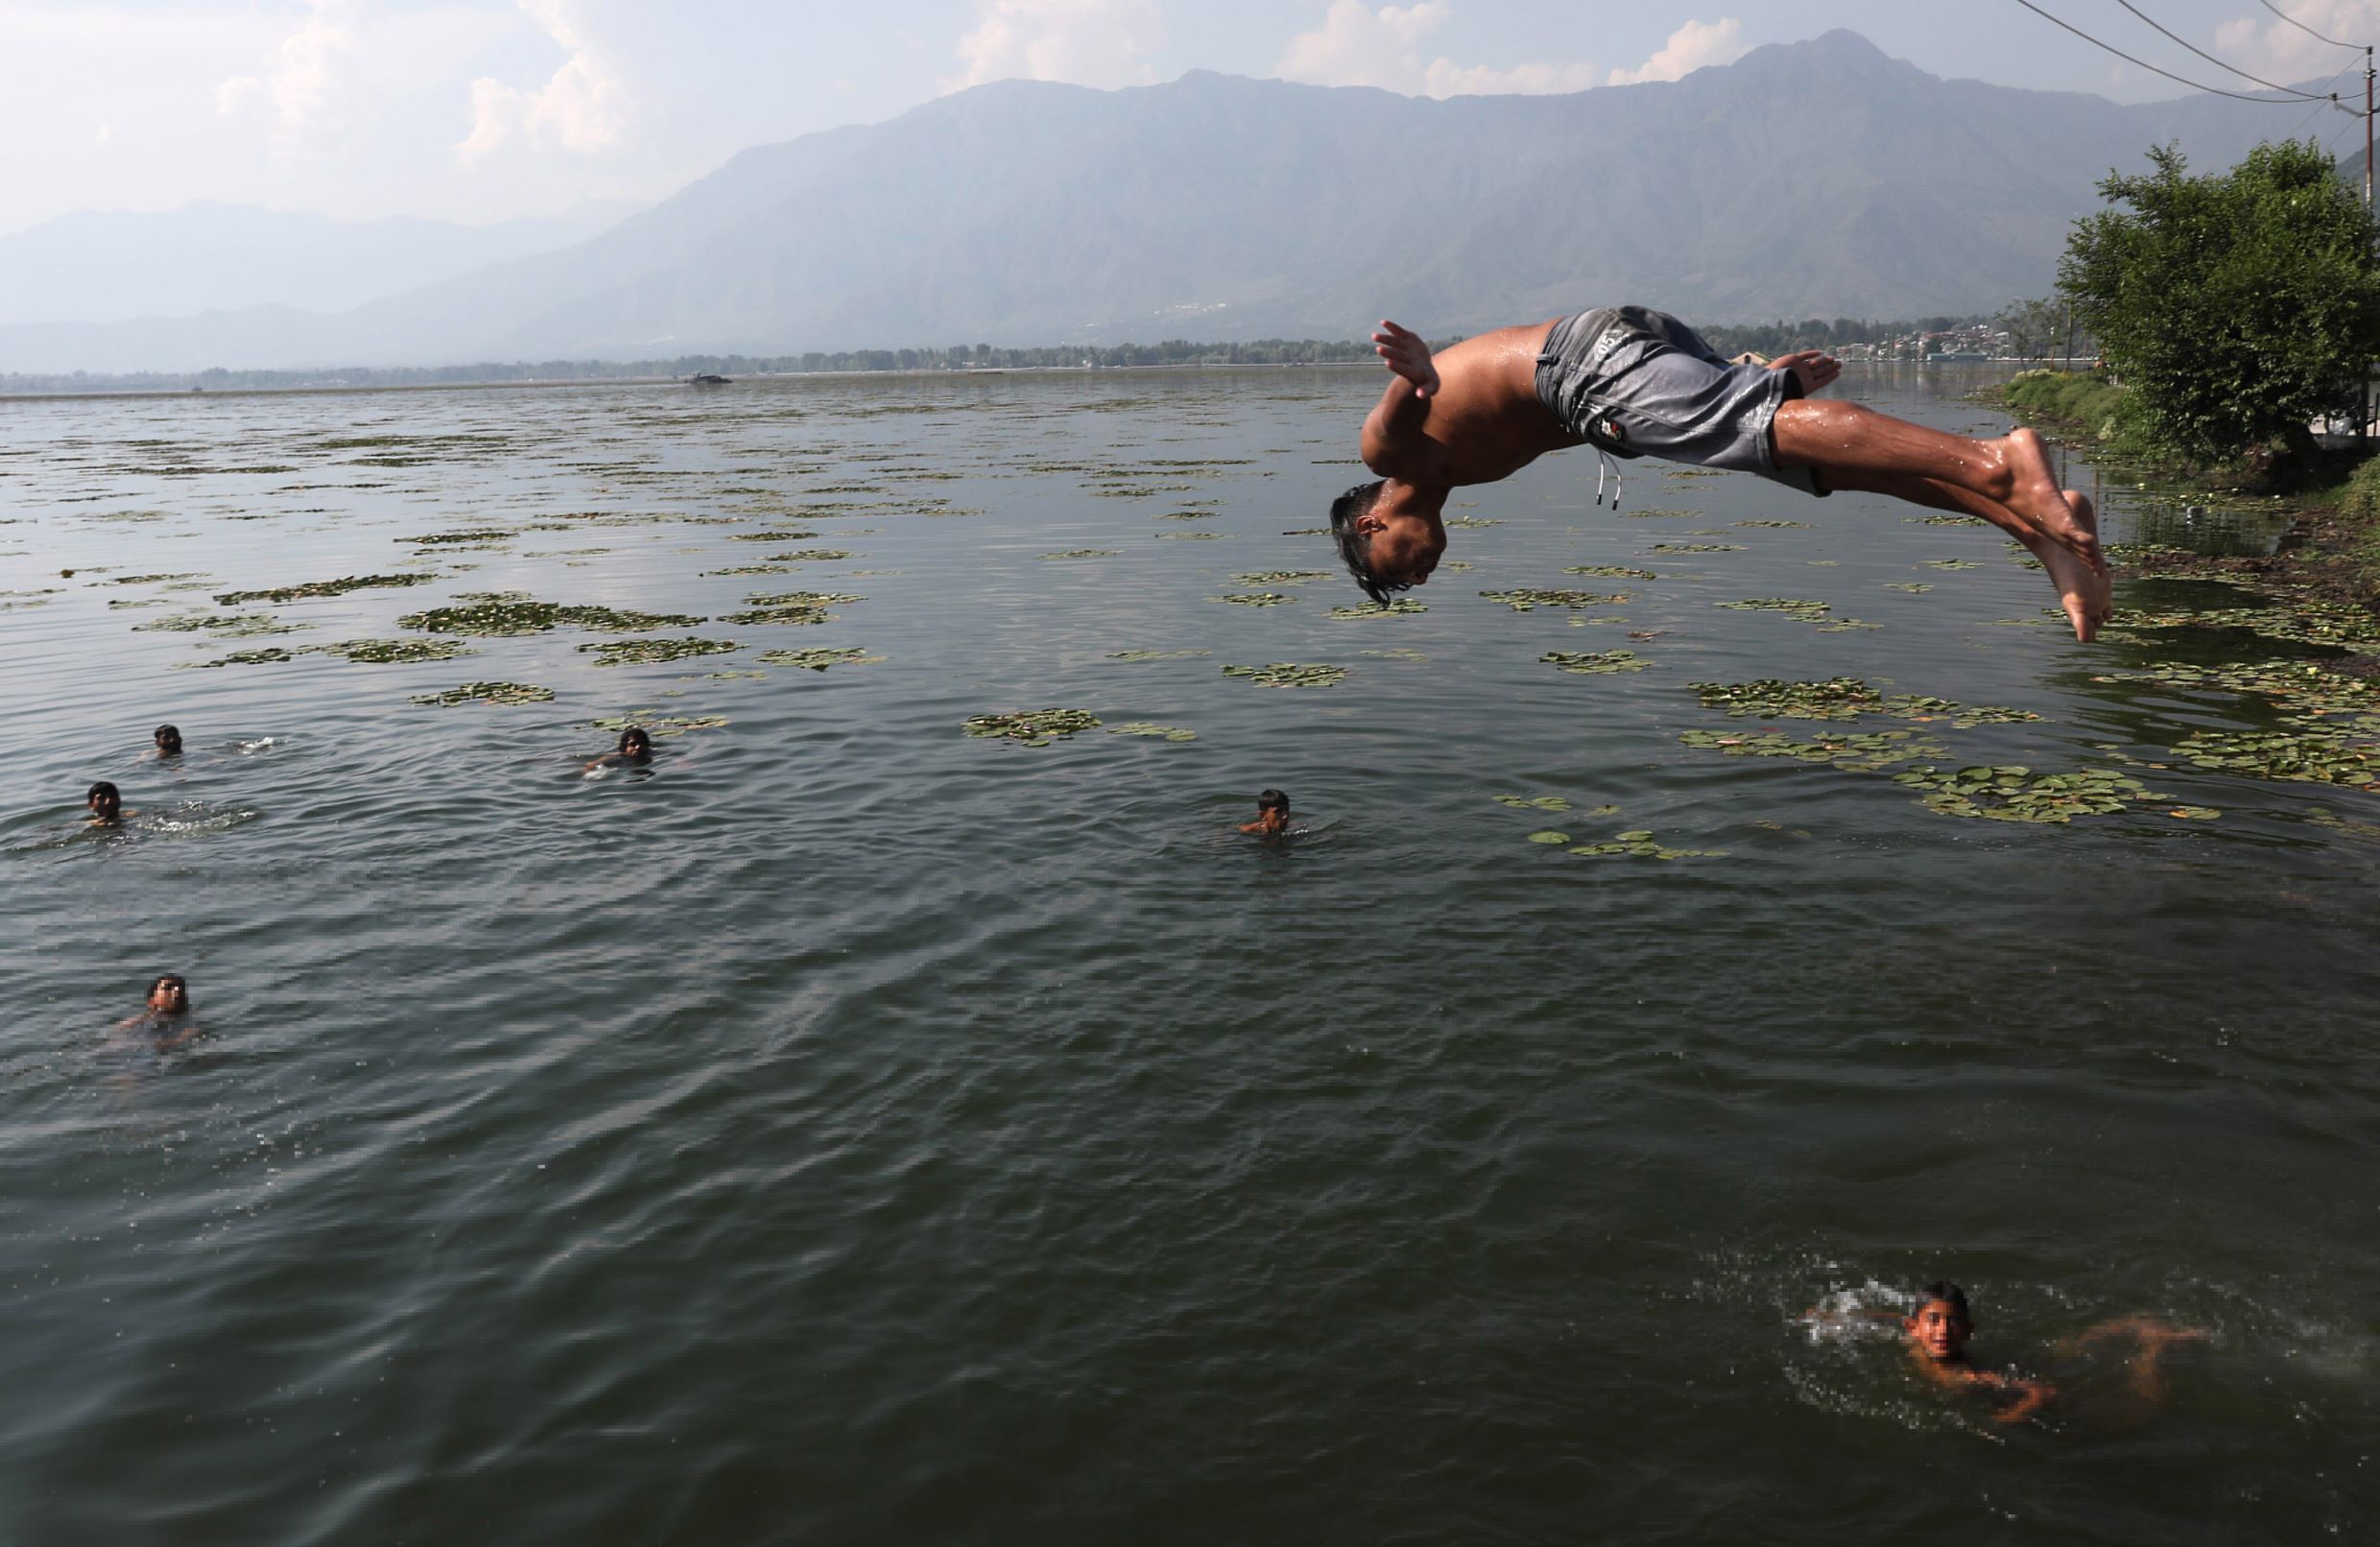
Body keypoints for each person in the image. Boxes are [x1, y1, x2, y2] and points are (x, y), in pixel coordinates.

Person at [1336, 310, 2111, 642]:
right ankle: (2039, 529)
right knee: (1814, 462)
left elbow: (1403, 408)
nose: (1423, 574)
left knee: (1764, 430)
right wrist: (1749, 381)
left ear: (1372, 524)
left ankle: (1998, 463)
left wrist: (1411, 371)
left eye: (1398, 571)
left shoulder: (1389, 460)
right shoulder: (1474, 471)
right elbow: (1595, 423)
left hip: (1577, 360)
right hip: (1604, 376)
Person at [1897, 1280, 2208, 1425]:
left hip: (2070, 1409)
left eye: (1952, 1322)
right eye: (1933, 1321)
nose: (1941, 1331)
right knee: (2066, 1349)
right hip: (2025, 1372)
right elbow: (1890, 1318)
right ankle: (2128, 1325)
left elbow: (2043, 1392)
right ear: (1913, 1327)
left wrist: (2004, 1420)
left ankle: (2156, 1348)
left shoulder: (1969, 1375)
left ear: (1968, 1331)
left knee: (2146, 1411)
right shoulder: (1915, 1339)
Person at [117, 974, 202, 1049]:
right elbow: (117, 1046)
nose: (177, 990)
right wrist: (177, 1041)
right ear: (152, 1001)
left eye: (181, 988)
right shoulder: (133, 1023)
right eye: (168, 988)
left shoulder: (193, 1022)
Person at [584, 726, 654, 772]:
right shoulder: (615, 757)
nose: (638, 747)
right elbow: (590, 766)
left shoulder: (651, 753)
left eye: (642, 743)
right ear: (625, 746)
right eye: (633, 744)